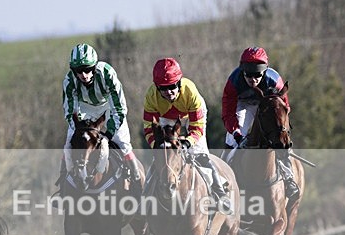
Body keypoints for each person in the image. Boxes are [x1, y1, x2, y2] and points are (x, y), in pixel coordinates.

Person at [142, 57, 231, 211]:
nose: (168, 92)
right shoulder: (151, 96)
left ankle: (219, 192)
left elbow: (197, 127)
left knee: (200, 153)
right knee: (161, 156)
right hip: (167, 118)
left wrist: (188, 142)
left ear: (179, 83)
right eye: (163, 88)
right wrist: (156, 145)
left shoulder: (190, 92)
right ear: (156, 87)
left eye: (172, 86)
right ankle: (145, 197)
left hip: (191, 116)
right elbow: (149, 128)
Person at [221, 46, 300, 199]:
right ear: (242, 71)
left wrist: (281, 132)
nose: (253, 80)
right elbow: (228, 114)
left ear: (265, 71)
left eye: (257, 75)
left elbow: (285, 108)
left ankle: (288, 178)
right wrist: (236, 133)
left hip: (266, 103)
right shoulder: (233, 82)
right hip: (242, 104)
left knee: (279, 139)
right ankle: (224, 180)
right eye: (249, 75)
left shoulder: (275, 81)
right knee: (231, 139)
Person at [60, 43, 142, 189]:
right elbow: (70, 111)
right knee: (68, 145)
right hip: (85, 111)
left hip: (108, 107)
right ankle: (63, 184)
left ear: (94, 67)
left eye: (87, 70)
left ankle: (136, 179)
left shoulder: (107, 74)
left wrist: (108, 133)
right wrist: (82, 128)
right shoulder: (69, 81)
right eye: (79, 71)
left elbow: (119, 108)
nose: (83, 75)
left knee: (123, 144)